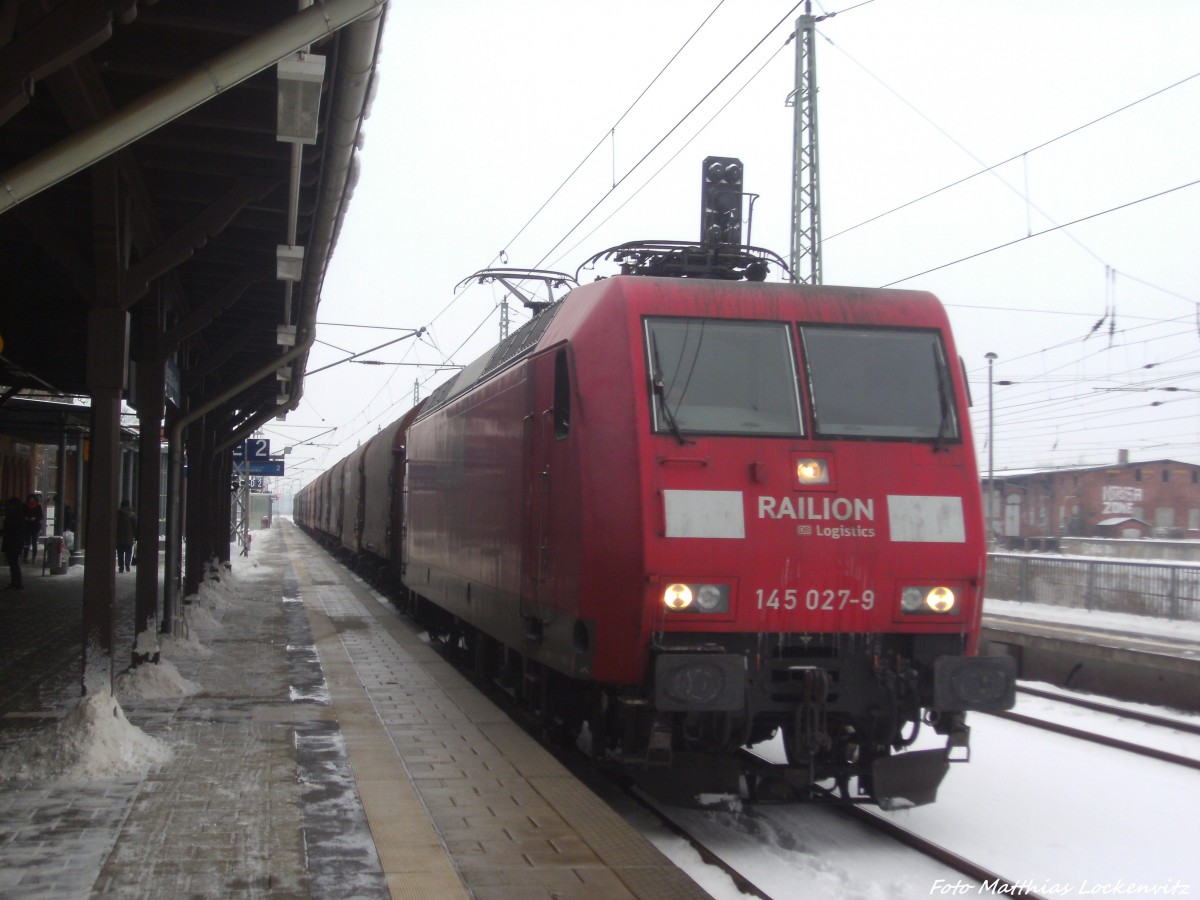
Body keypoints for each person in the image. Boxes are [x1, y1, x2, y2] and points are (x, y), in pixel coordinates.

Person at [3, 497, 24, 590]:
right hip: (15, 542)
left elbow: (9, 529)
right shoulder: (18, 515)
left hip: (13, 542)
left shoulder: (14, 516)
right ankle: (16, 582)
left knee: (13, 563)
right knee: (13, 564)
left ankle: (17, 583)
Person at [116, 499, 137, 573]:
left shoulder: (117, 515)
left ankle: (121, 567)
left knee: (120, 553)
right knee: (128, 551)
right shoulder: (132, 515)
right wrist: (136, 535)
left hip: (119, 537)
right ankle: (127, 564)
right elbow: (135, 526)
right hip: (129, 537)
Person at [22, 494, 43, 563]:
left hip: (35, 526)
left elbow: (41, 516)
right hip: (27, 526)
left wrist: (35, 518)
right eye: (30, 499)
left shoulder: (38, 506)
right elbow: (22, 514)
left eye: (32, 499)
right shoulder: (25, 506)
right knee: (27, 542)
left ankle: (34, 558)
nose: (31, 500)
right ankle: (25, 557)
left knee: (34, 542)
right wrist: (25, 517)